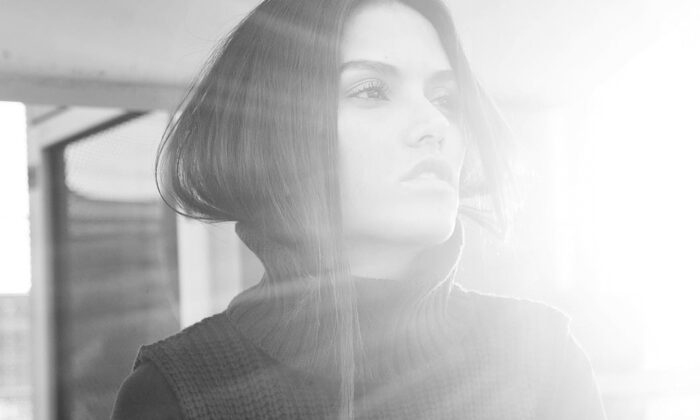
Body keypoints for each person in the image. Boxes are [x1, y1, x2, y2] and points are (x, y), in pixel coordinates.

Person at [112, 0, 607, 418]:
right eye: (372, 90)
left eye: (445, 99)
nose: (434, 124)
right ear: (278, 129)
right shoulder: (173, 396)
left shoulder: (545, 359)